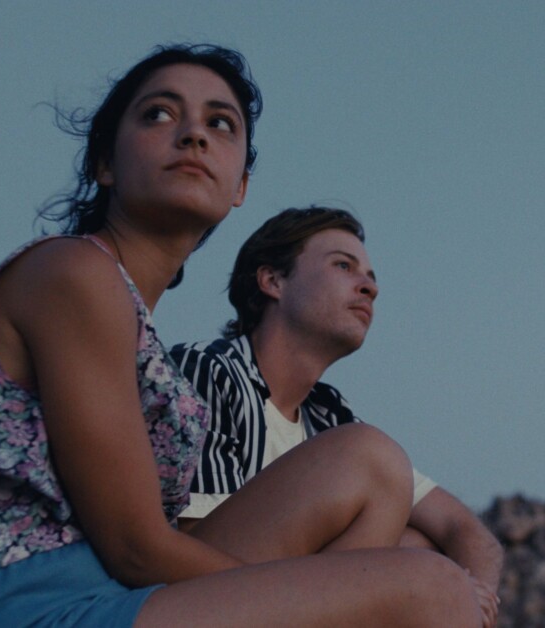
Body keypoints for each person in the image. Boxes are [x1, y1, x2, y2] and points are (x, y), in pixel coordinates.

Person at [0, 44, 486, 627]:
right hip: (4, 604)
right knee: (428, 589)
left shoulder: (137, 332)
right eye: (159, 114)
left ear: (241, 188)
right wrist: (327, 603)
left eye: (221, 124)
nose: (193, 134)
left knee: (371, 466)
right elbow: (136, 548)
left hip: (99, 590)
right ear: (105, 164)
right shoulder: (73, 273)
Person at [170, 207, 504, 619]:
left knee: (419, 550)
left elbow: (464, 530)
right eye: (344, 266)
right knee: (377, 469)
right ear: (273, 280)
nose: (369, 288)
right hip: (190, 606)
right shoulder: (209, 371)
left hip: (272, 606)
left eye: (371, 278)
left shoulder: (330, 417)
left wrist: (478, 597)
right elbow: (187, 558)